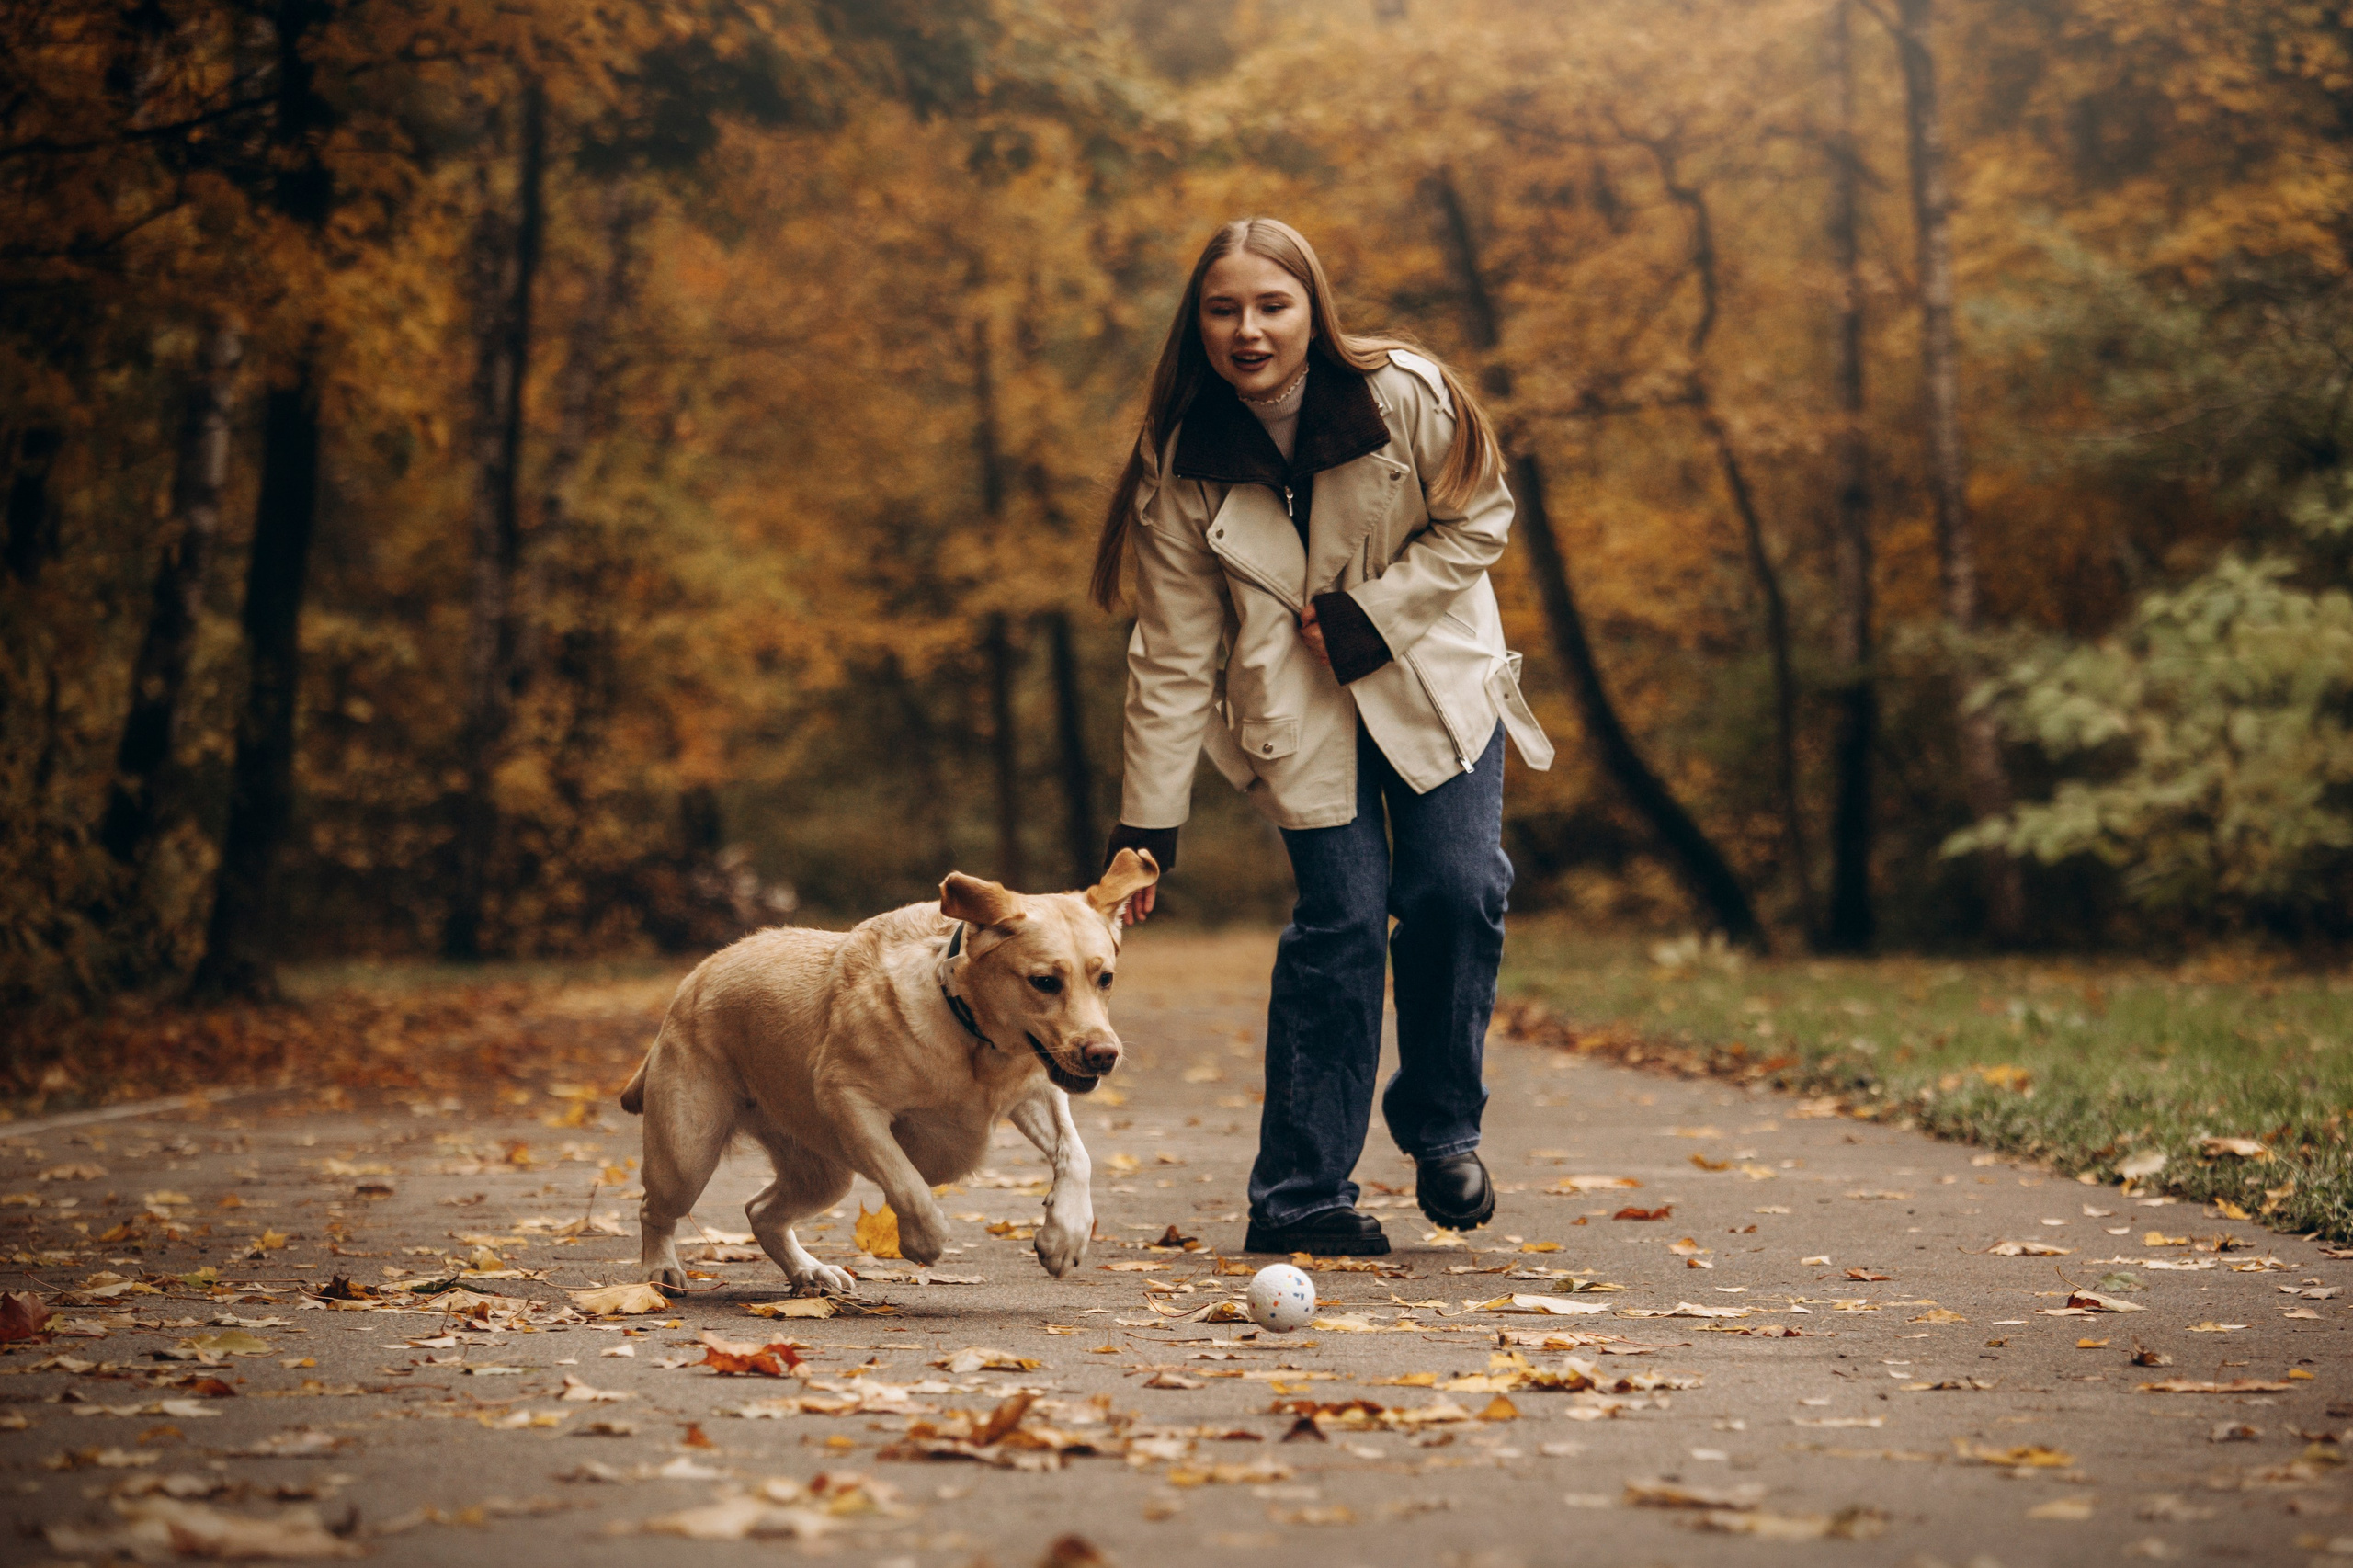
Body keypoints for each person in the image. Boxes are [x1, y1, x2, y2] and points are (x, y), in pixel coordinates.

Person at [1090, 217, 1553, 1256]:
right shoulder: (1180, 455)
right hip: (1295, 716)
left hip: (1436, 682)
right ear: (1197, 323)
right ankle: (1300, 1195)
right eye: (1223, 310)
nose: (1247, 330)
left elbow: (1481, 518)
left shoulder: (1407, 393)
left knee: (1456, 890)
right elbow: (1172, 649)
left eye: (1271, 305)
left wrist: (1374, 615)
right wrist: (1147, 825)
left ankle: (1441, 1126)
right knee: (1339, 923)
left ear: (1313, 310)